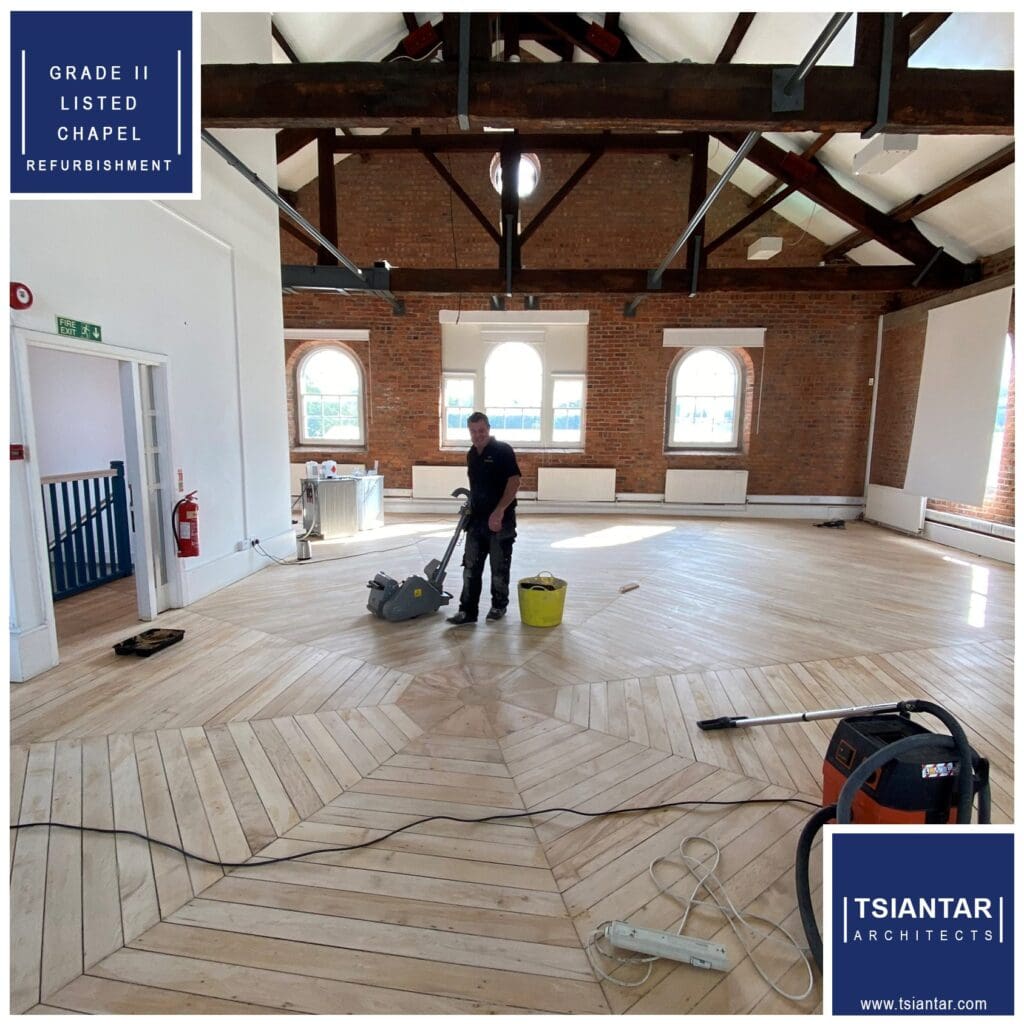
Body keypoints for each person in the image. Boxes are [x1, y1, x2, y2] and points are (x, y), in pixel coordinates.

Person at [447, 411, 522, 626]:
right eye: (473, 431)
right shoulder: (472, 454)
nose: (478, 435)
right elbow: (477, 486)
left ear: (488, 429)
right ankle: (467, 611)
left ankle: (499, 605)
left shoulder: (503, 451)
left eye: (481, 430)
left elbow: (514, 482)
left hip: (501, 520)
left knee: (499, 567)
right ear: (469, 432)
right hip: (477, 521)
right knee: (470, 567)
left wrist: (499, 511)